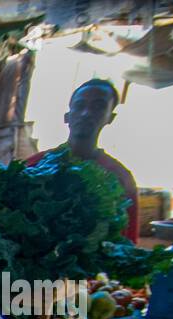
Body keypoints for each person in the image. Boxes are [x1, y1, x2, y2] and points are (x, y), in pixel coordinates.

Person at [25, 78, 138, 242]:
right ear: (67, 116)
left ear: (110, 118)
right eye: (79, 106)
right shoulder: (33, 166)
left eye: (98, 106)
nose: (86, 113)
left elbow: (127, 244)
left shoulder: (120, 178)